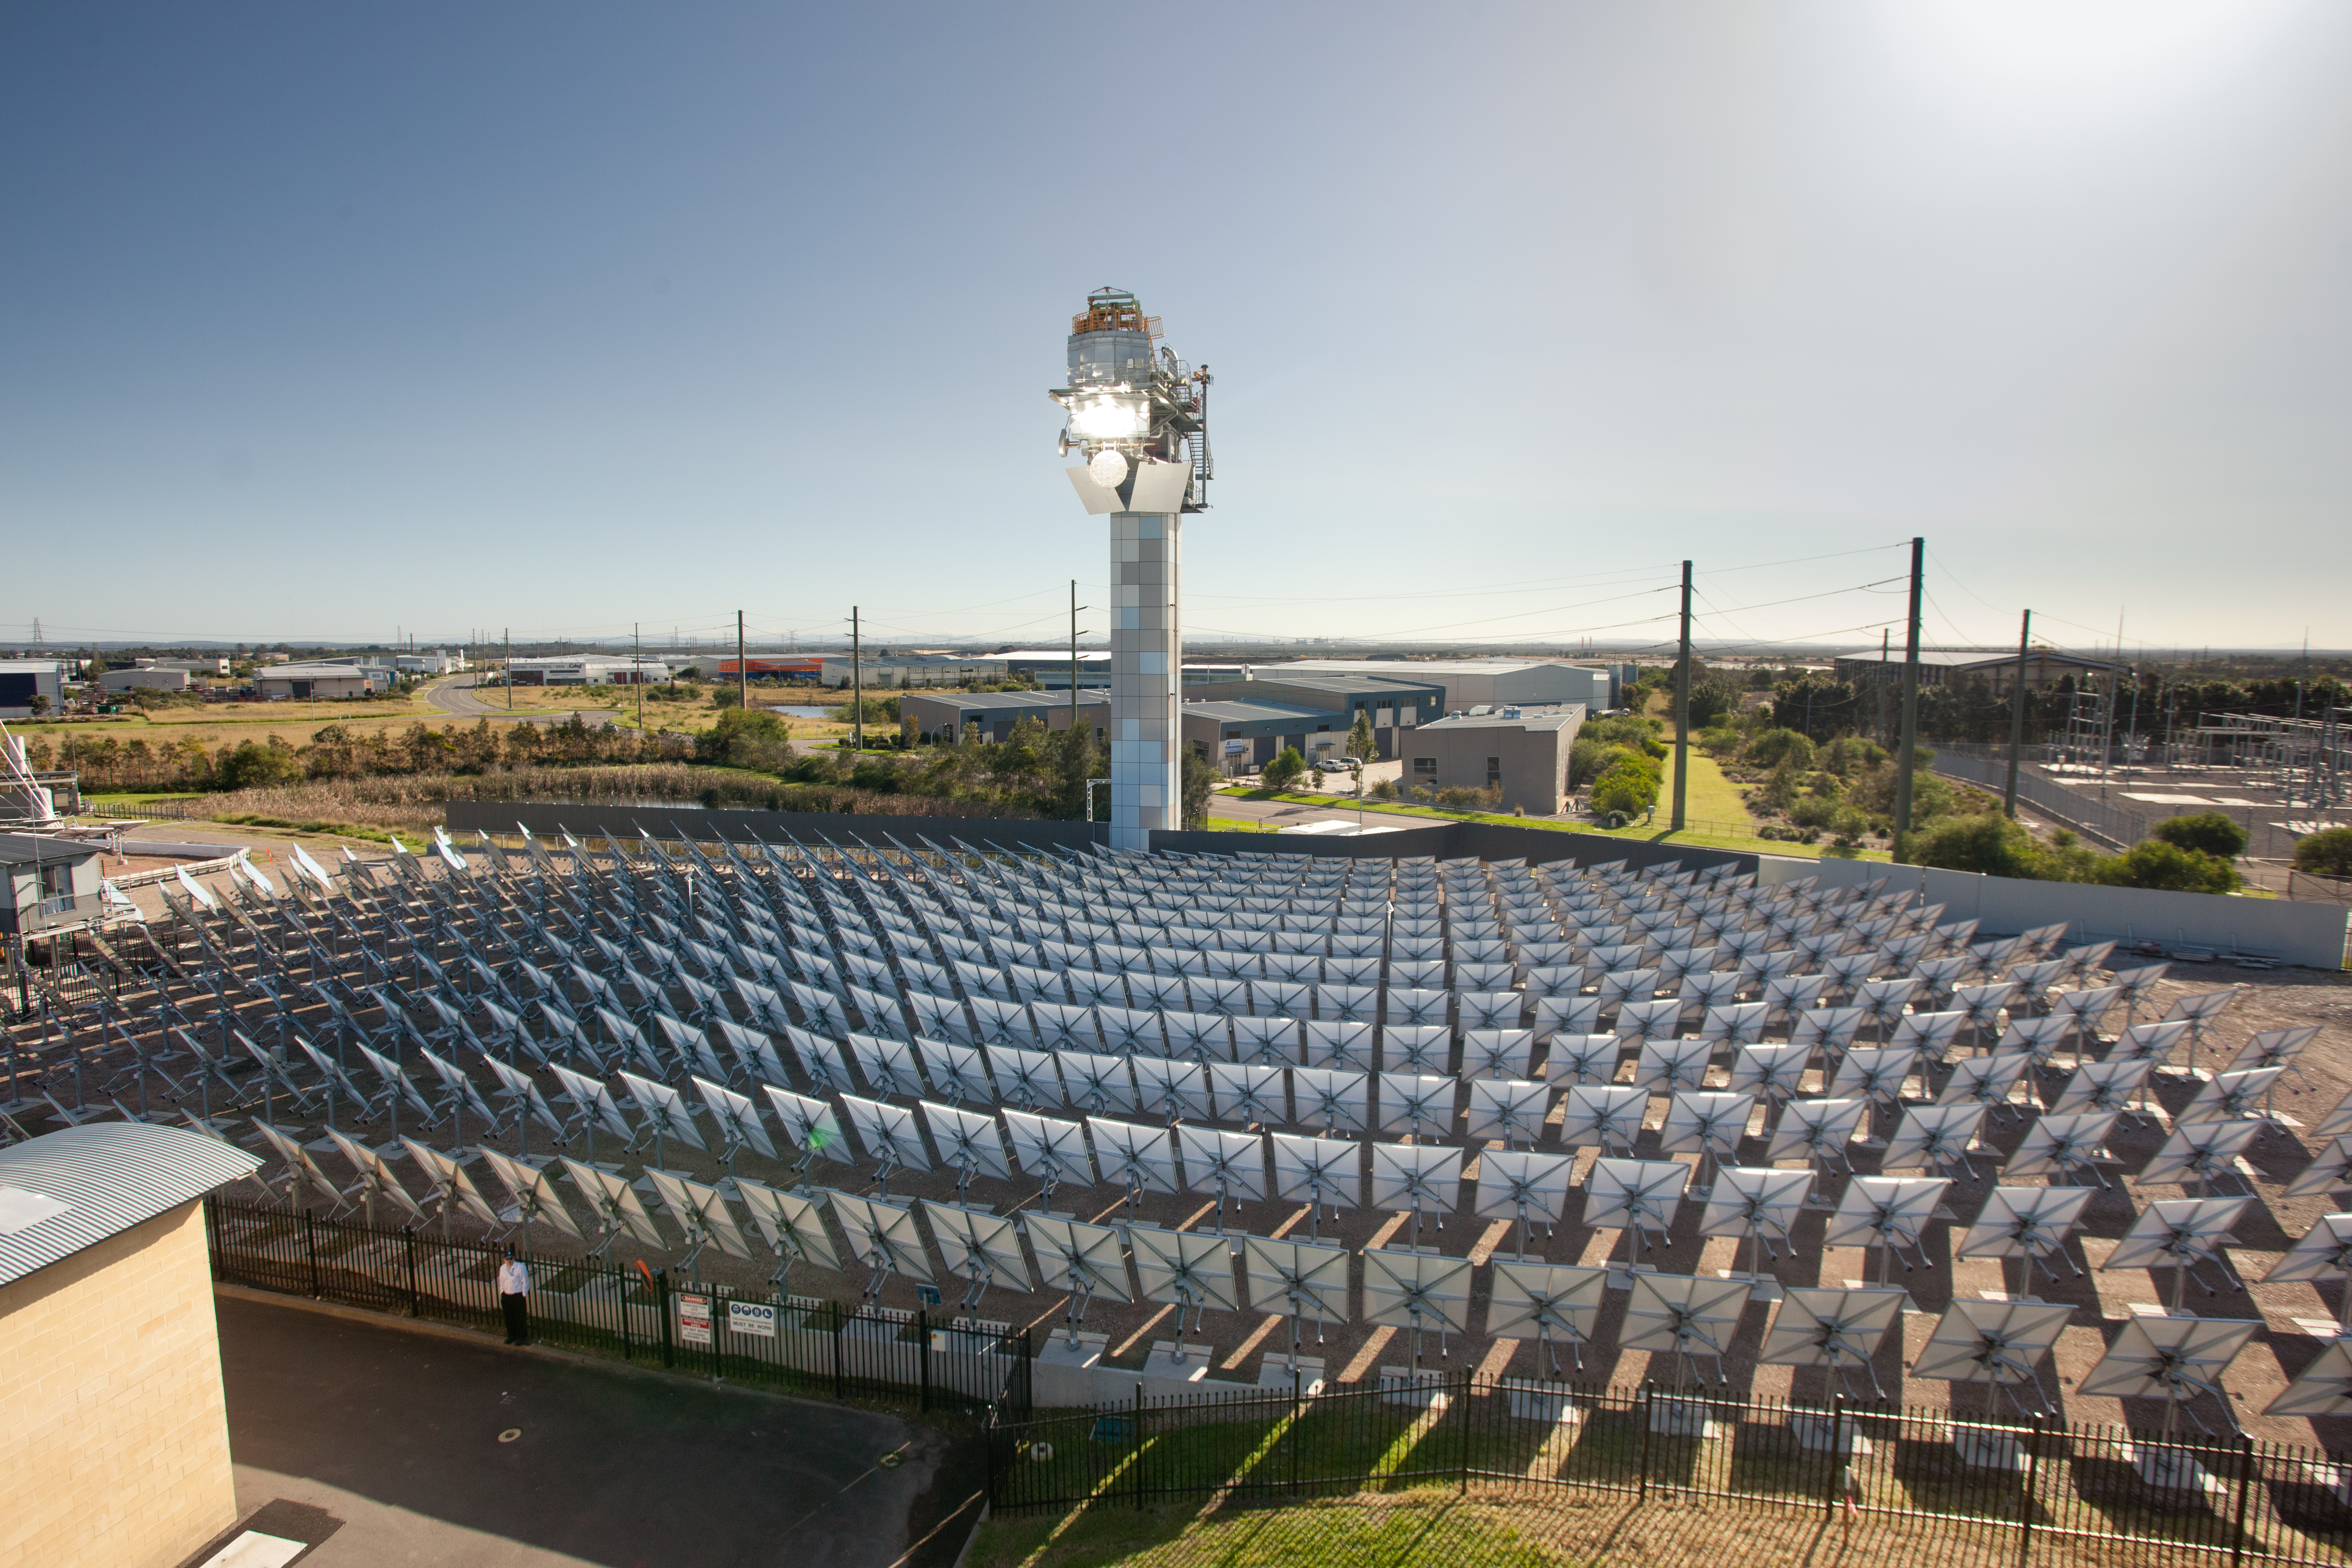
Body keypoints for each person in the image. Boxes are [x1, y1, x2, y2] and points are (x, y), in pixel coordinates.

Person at [497, 1247, 531, 1346]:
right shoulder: (503, 1269)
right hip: (507, 1296)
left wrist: (523, 1295)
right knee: (509, 1317)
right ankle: (511, 1336)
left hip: (517, 1295)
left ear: (514, 1259)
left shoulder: (520, 1268)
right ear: (504, 1260)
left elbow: (525, 1283)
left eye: (511, 1259)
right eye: (507, 1259)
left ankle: (521, 1337)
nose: (509, 1261)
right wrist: (502, 1293)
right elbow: (502, 1282)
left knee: (520, 1317)